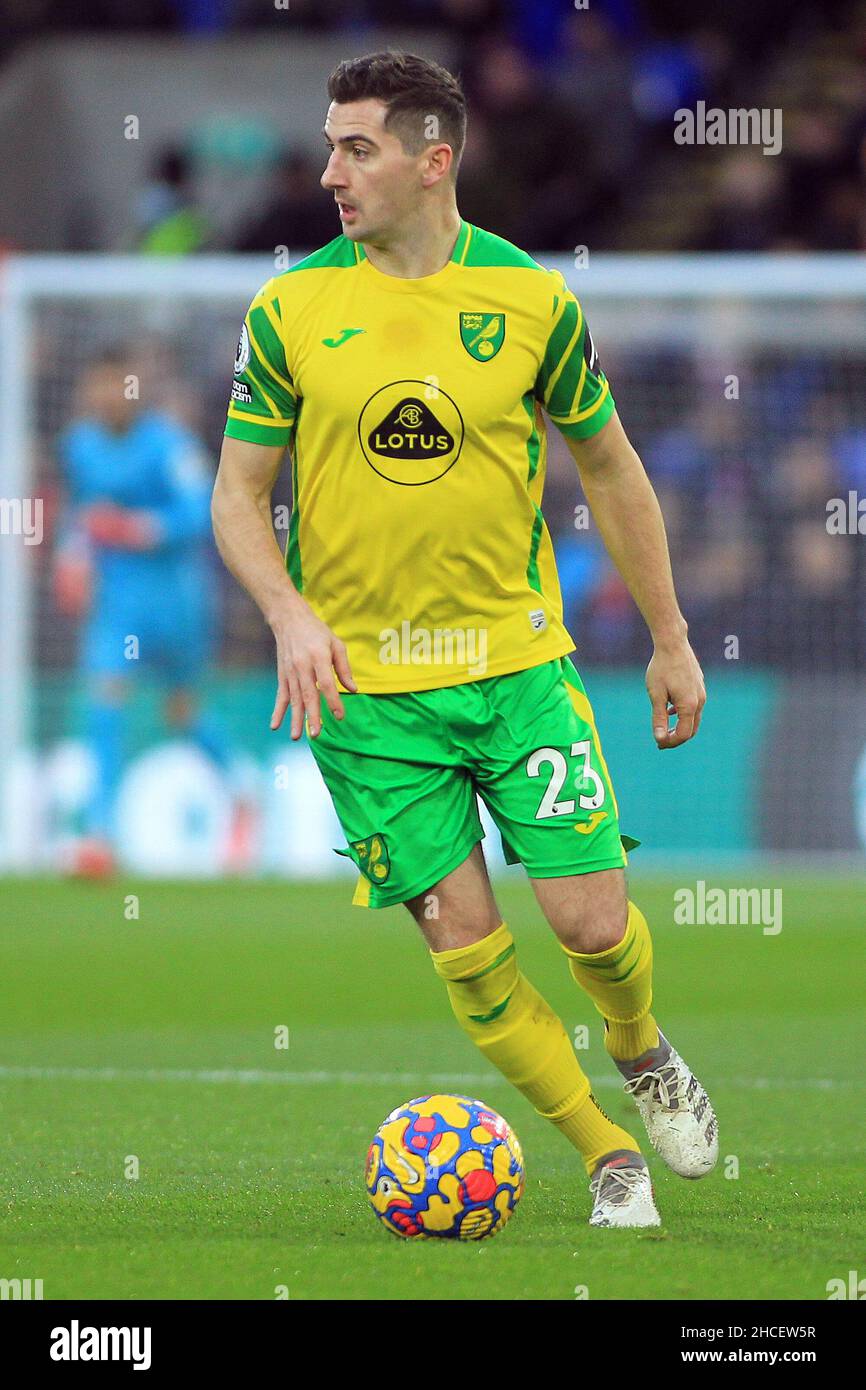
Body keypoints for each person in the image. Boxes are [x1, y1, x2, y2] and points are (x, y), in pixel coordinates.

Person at [212, 51, 716, 1228]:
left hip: (518, 670)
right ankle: (604, 1156)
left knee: (590, 921)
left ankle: (641, 1054)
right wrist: (288, 612)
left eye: (358, 148)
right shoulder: (289, 309)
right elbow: (236, 495)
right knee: (467, 949)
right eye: (331, 145)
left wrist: (669, 636)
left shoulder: (532, 301)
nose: (331, 171)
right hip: (366, 699)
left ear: (433, 159)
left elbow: (610, 467)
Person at [53, 345, 235, 875]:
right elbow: (79, 517)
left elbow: (202, 511)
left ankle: (240, 790)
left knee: (180, 710)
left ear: (134, 386)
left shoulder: (169, 444)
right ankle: (99, 837)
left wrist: (136, 529)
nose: (108, 396)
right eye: (99, 385)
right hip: (117, 602)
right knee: (104, 700)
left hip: (176, 598)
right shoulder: (78, 447)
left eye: (117, 384)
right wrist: (72, 556)